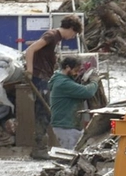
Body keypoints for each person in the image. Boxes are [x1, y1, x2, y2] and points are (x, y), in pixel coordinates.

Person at [23, 15, 82, 160]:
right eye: (73, 34)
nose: (72, 37)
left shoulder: (56, 39)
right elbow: (30, 50)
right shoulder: (51, 35)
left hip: (45, 77)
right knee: (43, 111)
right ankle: (39, 149)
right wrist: (30, 70)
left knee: (45, 111)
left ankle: (40, 147)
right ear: (70, 28)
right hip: (40, 77)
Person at [48, 56, 98, 150]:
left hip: (69, 125)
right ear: (67, 68)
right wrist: (94, 81)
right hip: (66, 126)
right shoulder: (63, 83)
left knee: (74, 154)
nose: (77, 73)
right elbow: (88, 92)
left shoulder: (62, 79)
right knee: (69, 156)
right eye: (75, 70)